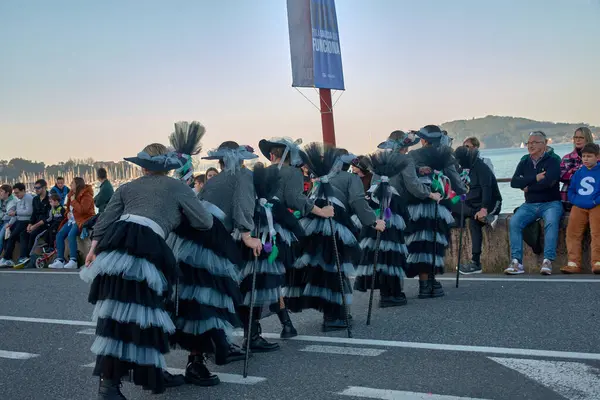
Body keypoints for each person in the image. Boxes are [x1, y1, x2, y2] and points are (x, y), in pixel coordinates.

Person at [80, 142, 214, 399]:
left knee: (116, 314)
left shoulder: (127, 187)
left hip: (115, 243)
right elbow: (204, 221)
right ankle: (148, 373)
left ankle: (110, 385)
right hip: (147, 244)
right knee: (149, 312)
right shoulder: (177, 186)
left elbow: (105, 220)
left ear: (142, 166)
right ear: (167, 166)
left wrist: (92, 250)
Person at [166, 122, 245, 384]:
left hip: (189, 240)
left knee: (193, 299)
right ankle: (196, 361)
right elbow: (244, 211)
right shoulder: (242, 178)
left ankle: (211, 349)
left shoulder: (211, 181)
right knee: (207, 300)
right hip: (212, 238)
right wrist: (249, 234)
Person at [290, 143, 385, 332]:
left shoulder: (321, 179)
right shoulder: (350, 178)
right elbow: (358, 202)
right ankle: (335, 315)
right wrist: (374, 222)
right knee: (336, 268)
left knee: (323, 269)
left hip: (313, 224)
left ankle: (331, 313)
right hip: (335, 222)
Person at [259, 137, 334, 338]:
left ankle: (271, 328)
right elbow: (295, 198)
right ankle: (285, 325)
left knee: (260, 275)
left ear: (272, 155)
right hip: (277, 227)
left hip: (256, 226)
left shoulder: (261, 171)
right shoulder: (292, 172)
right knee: (273, 275)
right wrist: (321, 211)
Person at [355, 130, 438, 307]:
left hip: (377, 204)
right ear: (403, 146)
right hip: (394, 205)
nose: (408, 151)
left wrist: (417, 169)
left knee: (381, 248)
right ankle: (392, 293)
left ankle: (387, 292)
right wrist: (430, 194)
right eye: (407, 147)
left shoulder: (380, 156)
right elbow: (413, 185)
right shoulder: (405, 160)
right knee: (393, 249)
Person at [407, 125, 467, 298]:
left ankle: (424, 284)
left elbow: (409, 180)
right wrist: (463, 190)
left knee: (420, 244)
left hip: (416, 205)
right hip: (439, 204)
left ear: (423, 140)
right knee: (435, 242)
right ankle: (432, 280)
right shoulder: (445, 155)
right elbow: (454, 178)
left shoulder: (412, 155)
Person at [506, 131, 563, 275]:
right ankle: (516, 262)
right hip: (529, 204)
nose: (530, 145)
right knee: (514, 222)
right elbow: (514, 182)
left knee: (551, 221)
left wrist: (528, 187)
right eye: (529, 143)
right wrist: (535, 178)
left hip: (550, 202)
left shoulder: (553, 161)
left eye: (534, 142)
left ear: (544, 144)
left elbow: (549, 183)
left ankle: (548, 261)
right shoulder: (524, 162)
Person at [453, 146, 502, 274]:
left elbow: (487, 189)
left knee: (474, 223)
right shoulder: (461, 169)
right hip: (472, 205)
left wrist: (484, 209)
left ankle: (475, 262)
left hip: (490, 203)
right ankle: (469, 215)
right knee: (450, 203)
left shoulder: (481, 167)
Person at [562, 143, 600, 275]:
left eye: (589, 156)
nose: (586, 159)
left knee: (597, 233)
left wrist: (596, 201)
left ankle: (597, 262)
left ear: (597, 157)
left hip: (596, 205)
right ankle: (573, 263)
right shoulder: (578, 173)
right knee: (572, 233)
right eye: (584, 156)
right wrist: (575, 201)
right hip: (579, 206)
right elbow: (571, 190)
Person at [49, 177, 95, 269]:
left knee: (71, 235)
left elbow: (83, 210)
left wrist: (74, 201)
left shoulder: (87, 196)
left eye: (72, 183)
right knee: (59, 235)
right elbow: (68, 209)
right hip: (72, 220)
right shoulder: (71, 194)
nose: (70, 185)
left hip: (82, 220)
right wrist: (67, 214)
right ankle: (60, 260)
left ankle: (73, 260)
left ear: (77, 185)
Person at [0, 183, 34, 268]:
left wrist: (16, 213)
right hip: (19, 221)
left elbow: (29, 211)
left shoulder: (28, 198)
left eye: (17, 193)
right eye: (15, 193)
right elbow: (16, 215)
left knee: (13, 237)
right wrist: (10, 223)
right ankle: (12, 258)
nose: (16, 195)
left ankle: (8, 258)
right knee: (14, 237)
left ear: (23, 191)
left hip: (25, 221)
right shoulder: (19, 199)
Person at [559, 127, 593, 210]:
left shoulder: (596, 158)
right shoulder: (567, 158)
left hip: (591, 197)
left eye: (581, 137)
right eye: (576, 137)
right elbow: (561, 175)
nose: (578, 140)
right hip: (568, 199)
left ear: (587, 139)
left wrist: (572, 172)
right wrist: (580, 174)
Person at [23, 179, 51, 265]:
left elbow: (48, 217)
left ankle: (29, 257)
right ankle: (23, 256)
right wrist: (30, 224)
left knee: (33, 235)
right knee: (23, 234)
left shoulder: (50, 198)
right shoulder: (35, 199)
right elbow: (34, 213)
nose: (36, 190)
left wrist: (35, 226)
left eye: (38, 188)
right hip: (36, 223)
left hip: (46, 224)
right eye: (35, 188)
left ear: (44, 188)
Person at [0, 184, 17, 255]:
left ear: (7, 193)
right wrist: (3, 215)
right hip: (2, 221)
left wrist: (2, 215)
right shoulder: (1, 199)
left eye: (1, 191)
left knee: (0, 237)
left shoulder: (13, 201)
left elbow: (8, 216)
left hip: (9, 222)